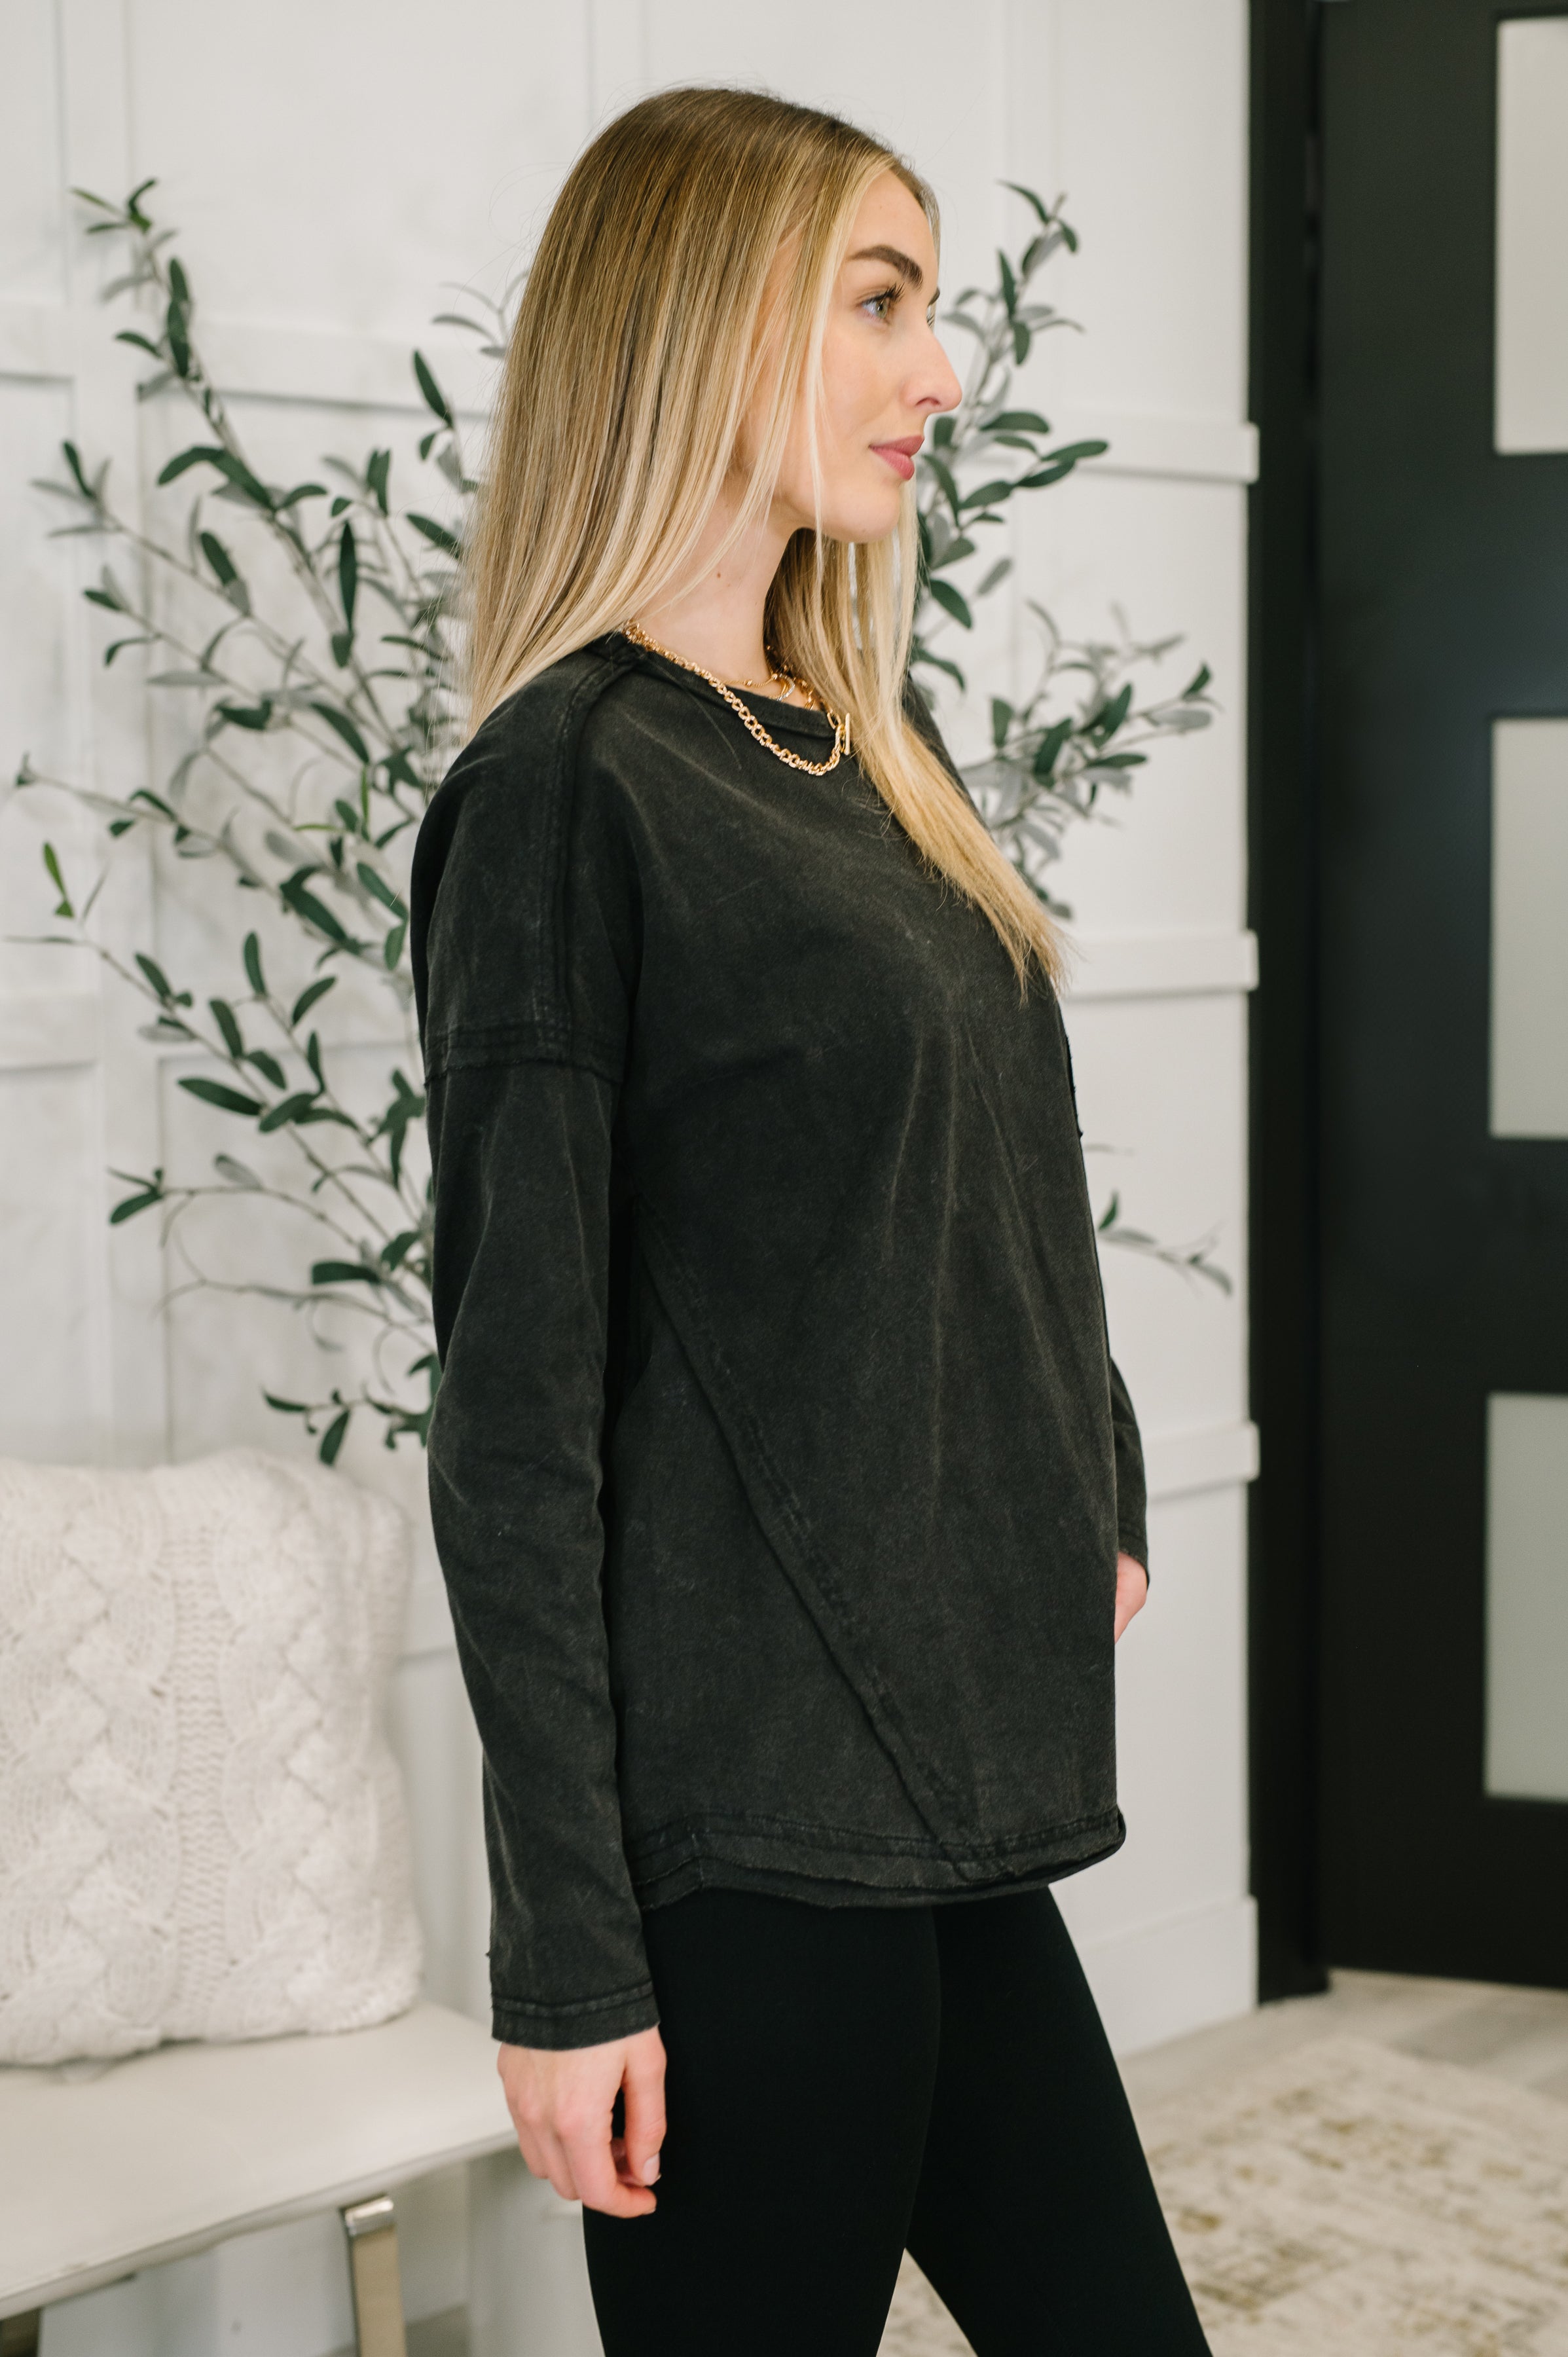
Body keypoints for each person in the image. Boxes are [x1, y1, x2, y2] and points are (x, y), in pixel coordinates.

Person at [411, 84, 1211, 2357]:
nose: (939, 371)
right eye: (878, 303)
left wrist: (1101, 1472)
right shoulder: (563, 791)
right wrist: (569, 1961)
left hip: (939, 1784)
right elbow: (511, 1416)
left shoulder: (866, 739)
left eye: (929, 309)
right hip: (746, 1844)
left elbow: (994, 1176)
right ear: (688, 324)